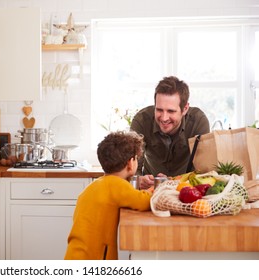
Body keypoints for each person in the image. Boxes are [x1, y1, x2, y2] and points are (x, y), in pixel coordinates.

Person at [64, 131, 152, 260]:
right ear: (130, 163)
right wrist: (155, 188)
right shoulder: (117, 185)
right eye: (136, 159)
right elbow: (144, 201)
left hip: (75, 254)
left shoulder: (95, 185)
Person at [130, 76, 210, 189]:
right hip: (148, 192)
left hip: (186, 192)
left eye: (171, 111)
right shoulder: (141, 121)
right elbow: (131, 167)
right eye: (159, 110)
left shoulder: (198, 122)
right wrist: (138, 180)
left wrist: (173, 183)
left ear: (185, 109)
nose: (164, 118)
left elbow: (203, 173)